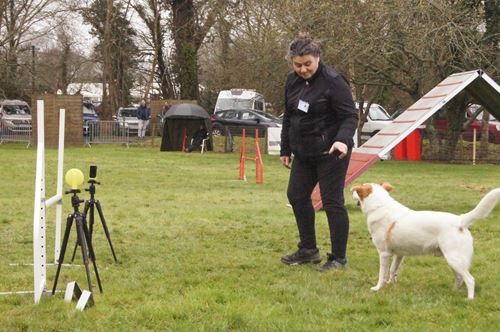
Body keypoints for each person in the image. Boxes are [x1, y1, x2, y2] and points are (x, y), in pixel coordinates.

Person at [280, 34, 358, 272]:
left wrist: (343, 140)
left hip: (331, 151)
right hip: (304, 152)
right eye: (298, 65)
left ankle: (338, 258)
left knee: (332, 201)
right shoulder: (291, 82)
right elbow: (289, 116)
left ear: (317, 58)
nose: (303, 69)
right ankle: (308, 250)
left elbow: (349, 116)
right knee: (296, 196)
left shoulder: (334, 82)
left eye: (308, 64)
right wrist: (286, 148)